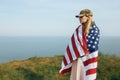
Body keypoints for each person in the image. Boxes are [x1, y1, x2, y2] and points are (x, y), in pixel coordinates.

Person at [59, 9, 100, 80]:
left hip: (87, 59)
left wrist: (80, 49)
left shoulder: (94, 29)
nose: (79, 19)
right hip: (77, 58)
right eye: (79, 17)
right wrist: (76, 50)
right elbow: (73, 42)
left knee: (86, 76)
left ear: (87, 17)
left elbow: (91, 47)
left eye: (81, 17)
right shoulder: (79, 29)